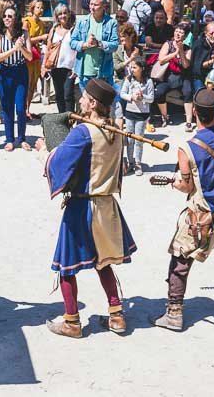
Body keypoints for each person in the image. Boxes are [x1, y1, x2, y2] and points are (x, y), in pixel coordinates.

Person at [40, 79, 137, 338]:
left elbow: (59, 163)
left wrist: (43, 152)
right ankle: (116, 315)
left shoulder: (84, 132)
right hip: (107, 205)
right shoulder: (118, 129)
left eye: (84, 98)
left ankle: (71, 321)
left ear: (93, 103)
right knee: (102, 261)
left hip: (83, 206)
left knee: (65, 266)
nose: (81, 101)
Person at [153, 87, 214, 330]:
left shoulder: (187, 147)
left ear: (194, 111)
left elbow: (186, 187)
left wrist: (176, 183)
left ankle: (174, 313)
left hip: (200, 216)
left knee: (180, 260)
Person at [0, 5, 33, 151]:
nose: (6, 19)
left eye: (10, 16)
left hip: (20, 71)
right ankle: (9, 139)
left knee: (21, 107)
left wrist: (21, 47)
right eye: (4, 16)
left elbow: (29, 56)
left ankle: (22, 138)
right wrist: (14, 49)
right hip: (5, 72)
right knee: (7, 107)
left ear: (16, 17)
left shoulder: (24, 34)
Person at [69, 0, 119, 91]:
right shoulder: (82, 22)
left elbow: (115, 45)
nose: (92, 7)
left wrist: (99, 44)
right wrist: (85, 45)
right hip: (84, 73)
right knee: (87, 104)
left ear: (104, 6)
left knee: (101, 105)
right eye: (91, 4)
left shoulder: (111, 22)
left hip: (104, 73)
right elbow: (72, 42)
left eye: (95, 5)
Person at [154, 23, 193, 129]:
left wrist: (180, 50)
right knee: (159, 92)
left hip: (182, 76)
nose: (178, 34)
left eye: (181, 32)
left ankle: (188, 122)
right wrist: (174, 53)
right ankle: (165, 116)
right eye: (177, 31)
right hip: (168, 76)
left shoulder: (188, 49)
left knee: (188, 92)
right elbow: (161, 59)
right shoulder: (168, 44)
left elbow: (185, 65)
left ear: (185, 36)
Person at [120, 57, 153, 175]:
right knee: (129, 140)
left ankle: (138, 163)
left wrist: (142, 97)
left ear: (142, 68)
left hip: (142, 115)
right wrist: (131, 97)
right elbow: (122, 93)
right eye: (131, 67)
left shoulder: (148, 81)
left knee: (138, 139)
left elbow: (151, 98)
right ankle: (130, 162)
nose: (131, 69)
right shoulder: (128, 80)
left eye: (134, 67)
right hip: (129, 113)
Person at [43, 3, 77, 113]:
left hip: (70, 67)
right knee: (59, 95)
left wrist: (76, 67)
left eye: (65, 13)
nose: (63, 16)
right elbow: (48, 49)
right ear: (57, 16)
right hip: (56, 67)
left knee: (68, 95)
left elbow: (78, 50)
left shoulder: (74, 30)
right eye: (60, 14)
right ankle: (61, 119)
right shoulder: (53, 30)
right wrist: (44, 66)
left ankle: (70, 119)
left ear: (69, 14)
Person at [22, 0, 48, 120]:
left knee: (33, 83)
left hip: (37, 55)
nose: (40, 10)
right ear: (32, 9)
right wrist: (40, 38)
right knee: (26, 83)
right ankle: (23, 110)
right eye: (38, 7)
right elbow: (25, 39)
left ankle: (28, 109)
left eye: (42, 8)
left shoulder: (41, 23)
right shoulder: (27, 22)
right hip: (28, 55)